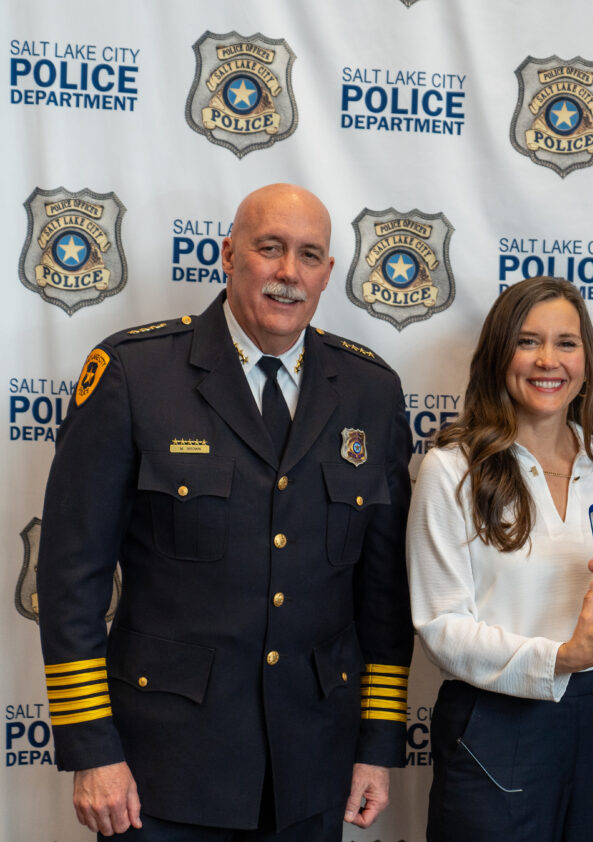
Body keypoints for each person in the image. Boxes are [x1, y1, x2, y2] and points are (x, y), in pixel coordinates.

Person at [36, 184, 414, 840]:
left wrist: (377, 743)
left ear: (328, 274)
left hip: (312, 767)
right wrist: (93, 750)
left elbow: (383, 596)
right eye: (270, 249)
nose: (288, 272)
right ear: (228, 254)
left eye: (309, 255)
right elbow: (70, 582)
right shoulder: (135, 376)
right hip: (164, 768)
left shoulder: (369, 393)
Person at [407, 276, 593, 842]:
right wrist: (562, 657)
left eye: (566, 343)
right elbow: (441, 625)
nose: (548, 360)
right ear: (500, 354)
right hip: (496, 725)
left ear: (587, 360)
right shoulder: (453, 468)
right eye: (528, 341)